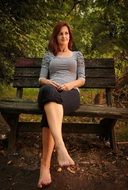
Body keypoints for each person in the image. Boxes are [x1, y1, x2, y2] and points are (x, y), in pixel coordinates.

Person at [37, 21, 86, 188]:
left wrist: (69, 85)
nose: (64, 36)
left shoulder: (77, 55)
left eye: (66, 33)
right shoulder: (49, 55)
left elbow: (82, 79)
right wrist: (49, 83)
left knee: (48, 111)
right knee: (49, 94)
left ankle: (44, 168)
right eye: (60, 34)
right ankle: (61, 148)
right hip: (50, 90)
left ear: (69, 36)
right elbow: (41, 79)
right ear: (56, 37)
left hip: (71, 93)